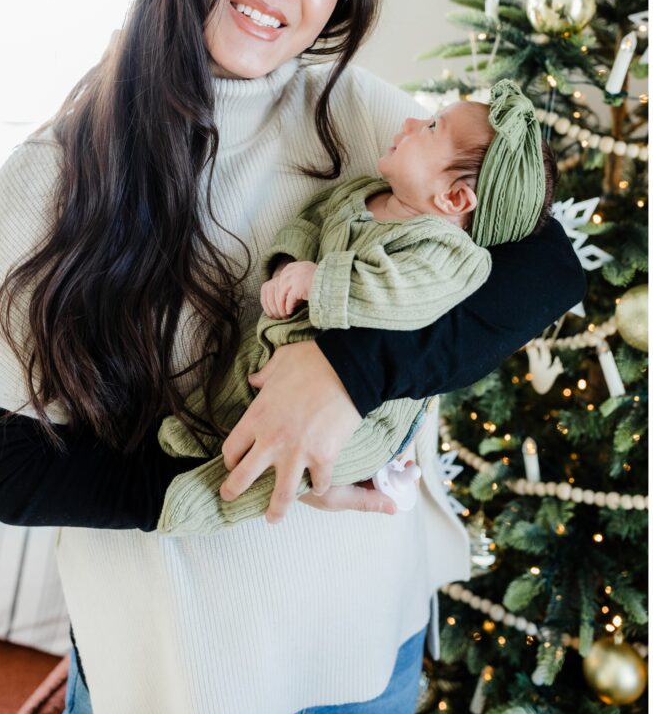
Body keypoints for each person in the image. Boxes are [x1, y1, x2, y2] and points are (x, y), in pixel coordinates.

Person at [0, 0, 585, 714]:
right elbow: (15, 476)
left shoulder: (365, 118)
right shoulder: (49, 179)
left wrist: (340, 374)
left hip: (370, 658)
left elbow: (549, 267)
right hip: (172, 676)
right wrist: (235, 475)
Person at [158, 81, 558, 537]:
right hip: (282, 338)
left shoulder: (450, 252)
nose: (408, 123)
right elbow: (311, 219)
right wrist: (289, 264)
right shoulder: (363, 193)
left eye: (429, 127)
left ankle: (216, 499)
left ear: (454, 199)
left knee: (303, 456)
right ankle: (202, 432)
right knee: (237, 383)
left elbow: (401, 294)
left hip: (370, 421)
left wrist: (319, 281)